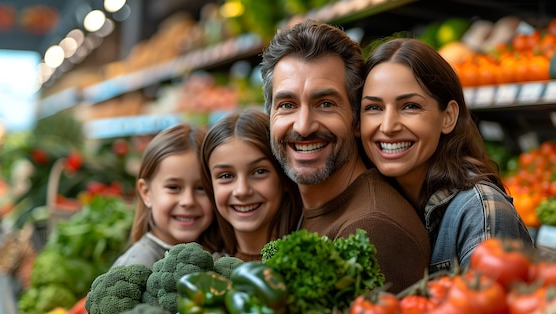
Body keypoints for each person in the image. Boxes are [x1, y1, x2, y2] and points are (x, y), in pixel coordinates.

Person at [260, 20, 431, 293]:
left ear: (355, 120)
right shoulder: (298, 205)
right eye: (287, 105)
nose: (303, 126)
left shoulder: (372, 230)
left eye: (325, 104)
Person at [360, 37, 534, 274]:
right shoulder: (379, 204)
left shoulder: (479, 211)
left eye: (410, 106)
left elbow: (490, 307)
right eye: (374, 108)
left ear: (448, 116)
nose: (388, 126)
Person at [112, 123, 221, 268]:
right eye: (173, 187)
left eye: (201, 188)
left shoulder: (220, 254)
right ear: (146, 193)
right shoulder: (136, 265)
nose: (188, 201)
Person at [200, 108, 302, 261]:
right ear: (211, 186)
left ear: (284, 177)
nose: (242, 191)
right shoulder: (206, 269)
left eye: (259, 172)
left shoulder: (307, 259)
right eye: (226, 176)